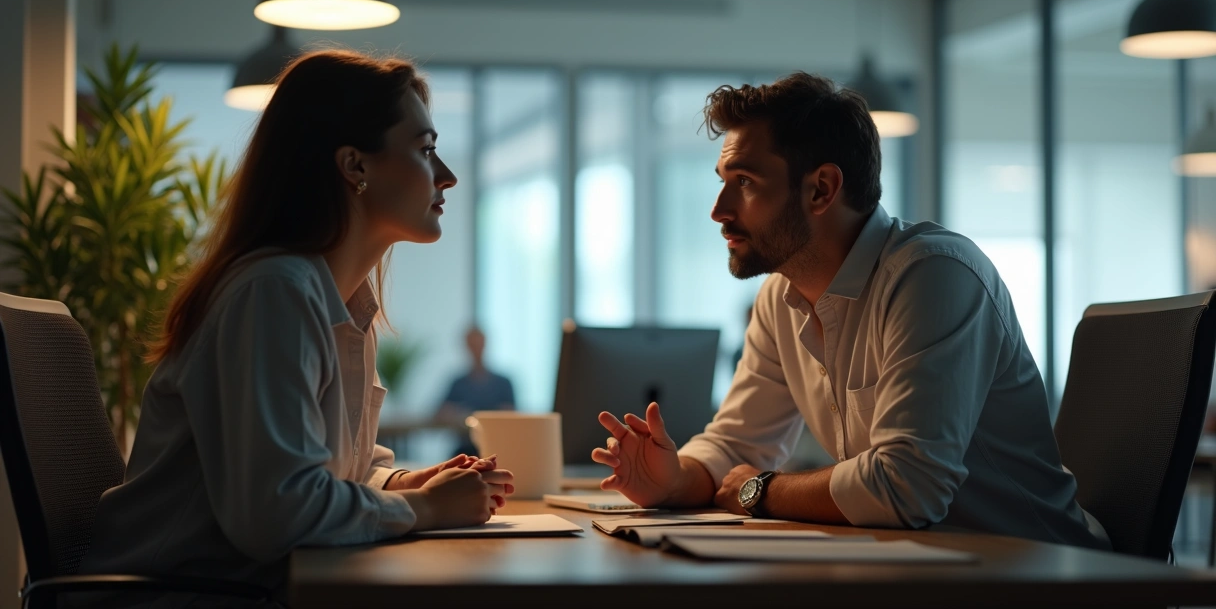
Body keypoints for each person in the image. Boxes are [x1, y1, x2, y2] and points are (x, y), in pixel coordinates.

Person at [591, 72, 1110, 550]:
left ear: (821, 189)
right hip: (924, 567)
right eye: (723, 179)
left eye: (745, 182)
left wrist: (759, 489)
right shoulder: (781, 297)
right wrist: (675, 479)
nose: (719, 209)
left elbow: (908, 488)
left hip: (1041, 574)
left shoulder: (933, 275)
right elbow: (737, 443)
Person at [78, 50, 515, 601]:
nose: (446, 176)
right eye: (426, 150)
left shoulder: (339, 300)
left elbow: (326, 473)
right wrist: (423, 508)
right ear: (355, 165)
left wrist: (406, 484)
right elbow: (277, 512)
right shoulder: (274, 293)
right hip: (175, 595)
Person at [436, 326, 516, 456]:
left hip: (497, 447)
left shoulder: (503, 383)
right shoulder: (458, 383)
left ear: (485, 344)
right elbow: (441, 413)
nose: (475, 349)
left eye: (478, 344)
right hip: (466, 449)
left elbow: (511, 415)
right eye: (472, 345)